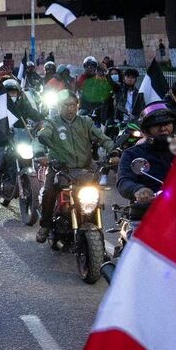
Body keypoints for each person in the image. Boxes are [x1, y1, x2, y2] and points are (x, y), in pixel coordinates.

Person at [116, 69, 176, 202]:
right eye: (157, 124)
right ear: (146, 129)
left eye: (167, 123)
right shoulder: (132, 154)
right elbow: (123, 181)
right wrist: (137, 190)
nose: (163, 127)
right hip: (147, 210)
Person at [34, 92, 113, 243]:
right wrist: (40, 151)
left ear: (77, 106)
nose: (70, 109)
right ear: (58, 106)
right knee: (48, 192)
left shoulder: (86, 122)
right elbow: (42, 136)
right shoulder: (52, 122)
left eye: (73, 105)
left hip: (85, 170)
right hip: (59, 169)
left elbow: (103, 138)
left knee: (96, 197)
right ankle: (45, 225)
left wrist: (113, 150)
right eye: (66, 105)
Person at [0, 80, 41, 217]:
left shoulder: (23, 104)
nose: (12, 95)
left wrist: (45, 119)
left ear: (18, 93)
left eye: (14, 92)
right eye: (9, 92)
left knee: (40, 161)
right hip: (2, 141)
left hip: (20, 140)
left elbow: (35, 116)